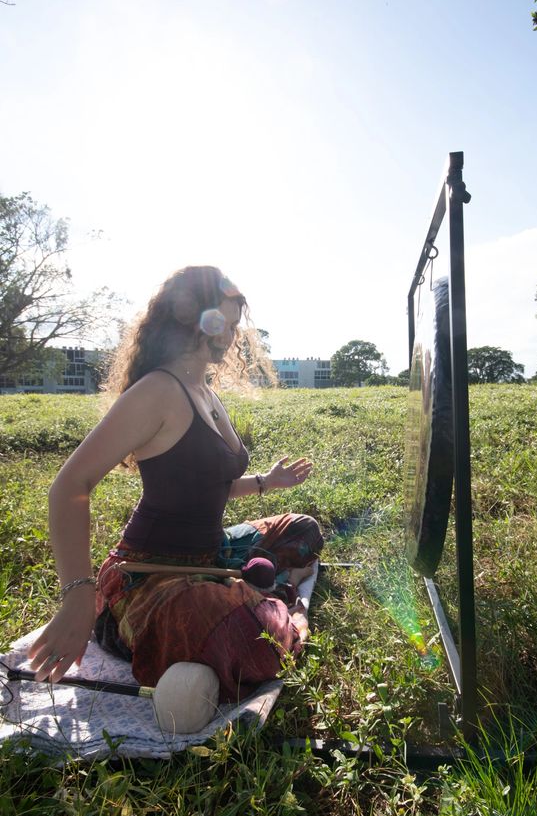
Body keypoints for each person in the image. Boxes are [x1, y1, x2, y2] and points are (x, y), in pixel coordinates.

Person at [27, 266, 323, 702]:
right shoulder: (158, 391)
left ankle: (253, 592)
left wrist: (266, 482)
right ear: (191, 318)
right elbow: (71, 485)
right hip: (149, 579)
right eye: (224, 324)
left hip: (210, 552)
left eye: (234, 327)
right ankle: (280, 603)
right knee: (247, 638)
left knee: (303, 530)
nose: (230, 337)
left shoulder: (204, 390)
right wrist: (76, 597)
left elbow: (207, 487)